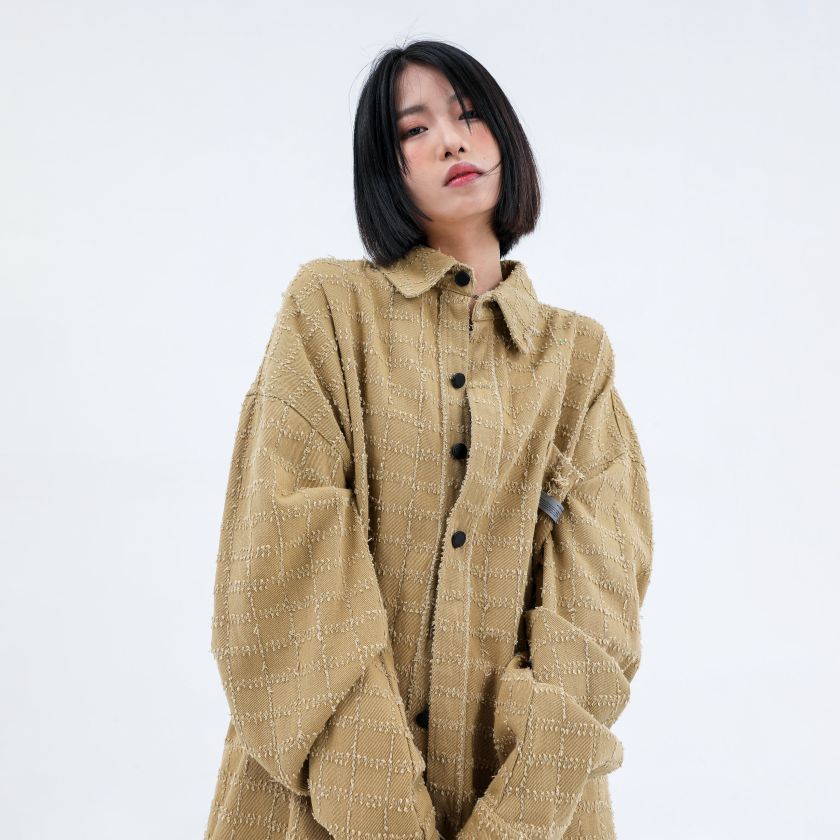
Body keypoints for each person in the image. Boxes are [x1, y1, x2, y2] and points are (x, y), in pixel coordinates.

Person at [204, 38, 654, 840]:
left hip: (532, 810)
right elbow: (284, 568)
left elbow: (598, 614)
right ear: (385, 167)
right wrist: (383, 813)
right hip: (319, 807)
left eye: (469, 115)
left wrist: (511, 822)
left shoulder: (577, 361)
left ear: (505, 138)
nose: (450, 139)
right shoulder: (328, 312)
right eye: (415, 129)